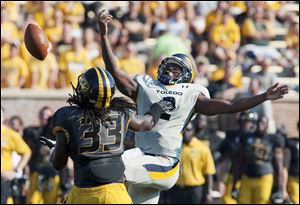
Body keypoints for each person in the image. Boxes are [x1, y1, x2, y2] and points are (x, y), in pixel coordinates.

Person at [98, 10, 289, 204]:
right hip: (142, 156)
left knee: (107, 168)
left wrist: (264, 96)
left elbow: (230, 106)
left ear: (186, 76)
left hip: (164, 162)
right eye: (168, 66)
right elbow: (114, 70)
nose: (170, 70)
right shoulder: (146, 85)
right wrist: (104, 36)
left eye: (176, 69)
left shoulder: (191, 94)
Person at [40, 66, 174, 204]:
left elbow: (58, 163)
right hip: (114, 194)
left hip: (82, 193)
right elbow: (146, 123)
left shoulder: (67, 115)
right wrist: (160, 106)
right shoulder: (122, 112)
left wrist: (55, 149)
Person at [235, 116, 285, 204]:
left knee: (262, 201)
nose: (259, 125)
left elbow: (279, 165)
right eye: (258, 122)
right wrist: (235, 183)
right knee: (242, 201)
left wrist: (279, 188)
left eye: (262, 123)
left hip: (264, 177)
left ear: (267, 125)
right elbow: (240, 161)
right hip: (247, 176)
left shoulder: (273, 140)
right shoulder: (247, 137)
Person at [166, 122, 216, 204]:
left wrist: (208, 193)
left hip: (194, 190)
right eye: (183, 130)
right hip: (176, 190)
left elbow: (208, 173)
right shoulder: (174, 147)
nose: (185, 133)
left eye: (188, 130)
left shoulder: (202, 148)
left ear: (193, 131)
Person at [217, 110, 258, 204]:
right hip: (233, 174)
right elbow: (223, 160)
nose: (246, 124)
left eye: (248, 121)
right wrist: (220, 180)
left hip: (252, 176)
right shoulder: (232, 135)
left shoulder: (259, 137)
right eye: (244, 121)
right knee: (228, 201)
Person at [23, 106, 60, 204]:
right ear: (39, 116)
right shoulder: (32, 132)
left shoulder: (58, 134)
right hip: (36, 172)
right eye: (43, 114)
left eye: (48, 116)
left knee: (51, 201)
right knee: (33, 201)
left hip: (53, 174)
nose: (45, 117)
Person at [1, 106, 31, 204]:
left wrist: (16, 171)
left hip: (3, 178)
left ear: (3, 117)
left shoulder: (11, 134)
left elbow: (27, 152)